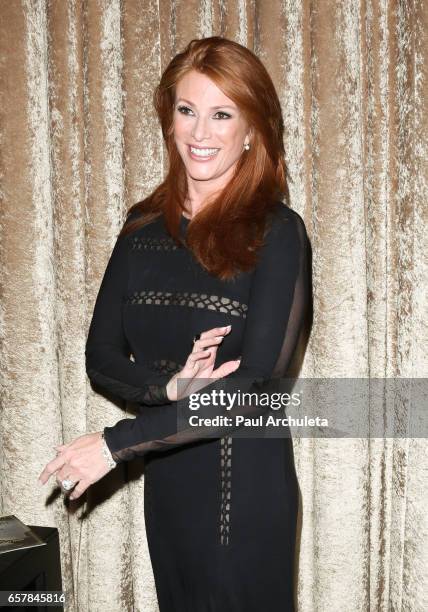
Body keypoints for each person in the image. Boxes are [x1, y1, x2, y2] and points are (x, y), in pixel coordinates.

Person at [38, 36, 310, 611]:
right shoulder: (141, 227)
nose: (200, 133)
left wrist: (114, 446)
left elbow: (257, 385)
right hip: (170, 487)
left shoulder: (278, 231)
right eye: (187, 111)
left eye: (221, 114)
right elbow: (101, 357)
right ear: (169, 118)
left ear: (253, 130)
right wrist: (166, 388)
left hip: (246, 487)